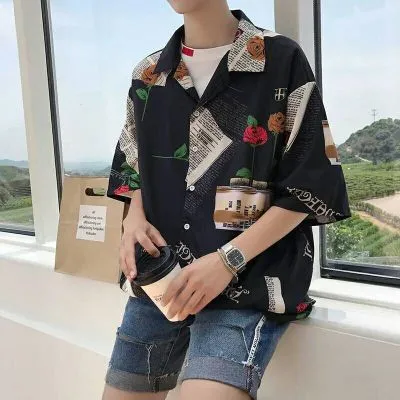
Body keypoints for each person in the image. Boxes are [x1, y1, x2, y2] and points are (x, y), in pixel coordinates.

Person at [102, 1, 351, 399]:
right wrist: (134, 218)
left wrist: (227, 260)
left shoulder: (280, 59)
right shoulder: (149, 73)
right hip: (161, 281)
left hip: (247, 284)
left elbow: (310, 184)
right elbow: (133, 164)